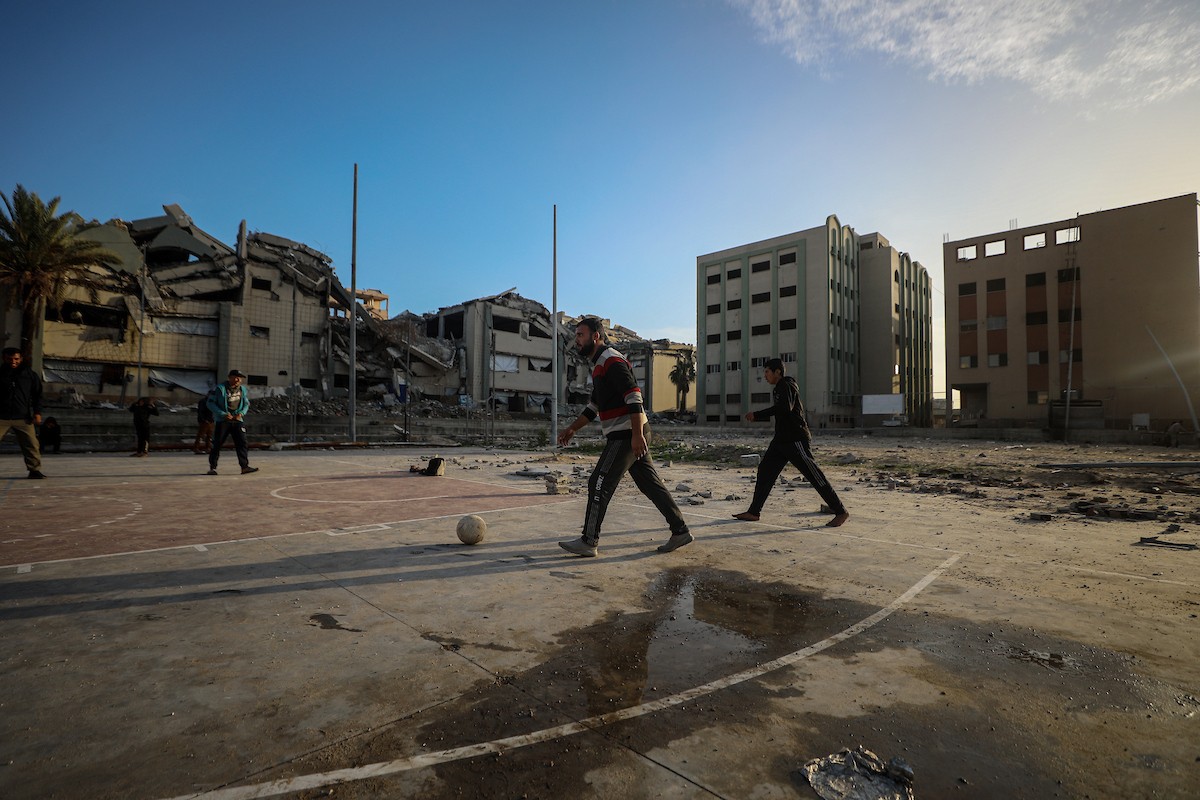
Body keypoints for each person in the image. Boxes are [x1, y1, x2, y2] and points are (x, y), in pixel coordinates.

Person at [556, 317, 692, 557]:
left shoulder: (611, 360)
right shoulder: (599, 365)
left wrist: (636, 435)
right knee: (649, 484)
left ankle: (589, 540)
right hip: (629, 432)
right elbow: (594, 406)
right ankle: (680, 531)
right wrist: (572, 428)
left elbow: (634, 396)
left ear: (596, 336)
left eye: (580, 335)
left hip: (627, 434)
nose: (576, 340)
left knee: (598, 482)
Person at [734, 358, 848, 527]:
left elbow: (784, 408)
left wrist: (757, 415)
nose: (765, 376)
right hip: (781, 440)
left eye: (767, 372)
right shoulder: (778, 388)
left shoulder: (786, 385)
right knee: (765, 471)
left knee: (814, 475)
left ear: (777, 372)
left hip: (795, 439)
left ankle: (840, 511)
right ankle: (753, 512)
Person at [0, 347, 46, 479]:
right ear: (4, 359)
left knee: (31, 444)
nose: (13, 362)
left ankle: (34, 470)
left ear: (21, 359)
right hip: (1, 416)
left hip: (23, 417)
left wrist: (37, 412)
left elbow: (37, 395)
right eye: (9, 359)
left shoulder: (30, 375)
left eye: (16, 359)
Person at [207, 370, 258, 475]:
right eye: (236, 377)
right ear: (229, 377)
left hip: (237, 420)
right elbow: (210, 403)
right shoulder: (220, 389)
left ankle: (244, 467)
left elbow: (246, 404)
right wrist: (222, 414)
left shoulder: (242, 389)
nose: (238, 380)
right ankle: (212, 468)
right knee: (217, 443)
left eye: (240, 378)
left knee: (242, 443)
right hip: (223, 420)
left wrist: (241, 413)